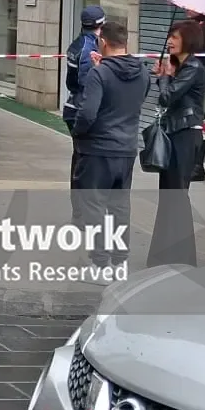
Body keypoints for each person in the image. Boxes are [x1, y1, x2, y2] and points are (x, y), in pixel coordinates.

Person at [68, 14, 143, 277]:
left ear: (103, 41)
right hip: (126, 148)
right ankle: (120, 261)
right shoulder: (141, 71)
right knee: (120, 206)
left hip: (98, 149)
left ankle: (100, 264)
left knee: (95, 206)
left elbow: (87, 113)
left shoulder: (99, 74)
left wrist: (79, 133)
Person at [147, 20, 205, 267]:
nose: (169, 41)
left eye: (175, 36)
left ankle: (180, 256)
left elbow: (167, 97)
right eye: (169, 35)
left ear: (188, 39)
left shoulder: (194, 67)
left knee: (178, 193)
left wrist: (164, 77)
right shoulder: (182, 66)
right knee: (169, 191)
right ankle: (164, 253)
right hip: (174, 132)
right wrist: (167, 75)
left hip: (185, 134)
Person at [62, 5, 106, 127]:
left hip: (75, 104)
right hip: (81, 108)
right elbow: (88, 84)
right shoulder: (89, 49)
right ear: (101, 25)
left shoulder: (78, 44)